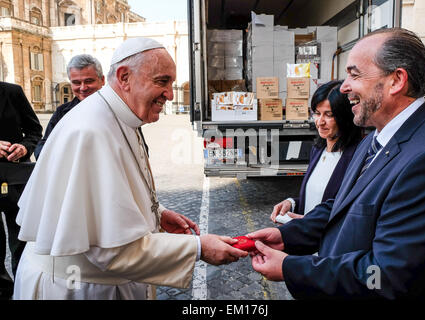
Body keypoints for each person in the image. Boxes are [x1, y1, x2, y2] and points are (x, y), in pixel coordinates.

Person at [13, 38, 248, 300]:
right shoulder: (91, 131)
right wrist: (197, 248)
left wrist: (157, 213)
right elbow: (113, 249)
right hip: (77, 287)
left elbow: (113, 197)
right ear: (124, 77)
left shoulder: (119, 115)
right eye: (162, 82)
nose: (170, 94)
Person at [249, 28, 425, 299]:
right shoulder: (374, 138)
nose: (343, 87)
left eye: (354, 75)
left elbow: (385, 275)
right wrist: (288, 236)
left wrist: (291, 267)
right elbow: (344, 206)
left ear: (396, 80)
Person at [270, 80, 362, 223]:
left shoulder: (357, 157)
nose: (320, 122)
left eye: (329, 115)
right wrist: (291, 203)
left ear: (345, 117)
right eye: (317, 113)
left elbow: (349, 212)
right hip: (306, 238)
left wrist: (311, 222)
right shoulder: (318, 150)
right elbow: (316, 198)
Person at [0, 81, 42, 299]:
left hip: (16, 181)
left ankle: (23, 290)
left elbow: (35, 130)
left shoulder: (12, 92)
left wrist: (25, 147)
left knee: (22, 243)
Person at [34, 54, 105, 159]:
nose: (83, 88)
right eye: (76, 82)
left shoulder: (117, 109)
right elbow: (43, 145)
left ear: (102, 80)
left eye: (89, 81)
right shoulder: (62, 112)